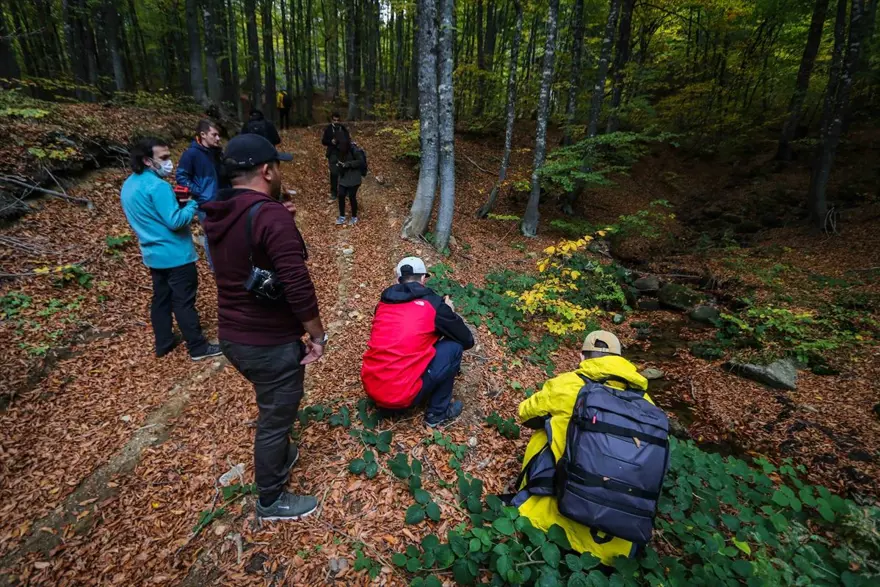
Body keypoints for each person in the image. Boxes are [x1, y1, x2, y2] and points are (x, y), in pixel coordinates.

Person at [201, 133, 327, 522]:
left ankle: (281, 455)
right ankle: (271, 500)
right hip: (268, 341)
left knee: (271, 403)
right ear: (267, 170)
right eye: (278, 167)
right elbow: (297, 283)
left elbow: (245, 258)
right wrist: (317, 334)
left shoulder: (221, 212)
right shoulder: (268, 215)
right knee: (275, 419)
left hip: (234, 335)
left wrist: (280, 219)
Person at [511, 331, 659, 565]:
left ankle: (535, 499)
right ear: (622, 360)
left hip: (548, 520)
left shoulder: (567, 384)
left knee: (546, 431)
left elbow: (524, 413)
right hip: (618, 543)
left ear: (582, 357)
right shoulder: (648, 406)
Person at [119, 137, 222, 362]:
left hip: (152, 254)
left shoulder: (129, 185)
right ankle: (198, 347)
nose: (169, 162)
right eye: (164, 158)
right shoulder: (158, 186)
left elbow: (151, 215)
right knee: (183, 301)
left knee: (161, 298)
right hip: (176, 255)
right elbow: (175, 221)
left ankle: (163, 342)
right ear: (147, 160)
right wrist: (192, 204)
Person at [361, 257, 474, 427]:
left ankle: (386, 399)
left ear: (397, 280)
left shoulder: (383, 304)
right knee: (454, 347)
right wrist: (449, 313)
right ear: (423, 278)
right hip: (402, 395)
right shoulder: (433, 305)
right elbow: (467, 340)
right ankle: (437, 414)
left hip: (372, 388)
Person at [176, 119, 226, 269]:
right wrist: (199, 191)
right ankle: (216, 269)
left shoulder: (217, 153)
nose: (218, 138)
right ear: (203, 134)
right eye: (214, 135)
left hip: (223, 200)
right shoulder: (191, 154)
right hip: (206, 204)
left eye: (218, 135)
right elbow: (181, 177)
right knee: (212, 236)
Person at [334, 136, 364, 226]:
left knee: (351, 196)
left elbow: (360, 162)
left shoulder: (354, 149)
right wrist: (339, 165)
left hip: (354, 177)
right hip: (344, 177)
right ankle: (342, 216)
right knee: (341, 195)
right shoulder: (339, 149)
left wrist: (348, 164)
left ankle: (354, 217)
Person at [320, 112, 350, 201]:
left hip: (342, 153)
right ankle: (333, 192)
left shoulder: (343, 128)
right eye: (334, 120)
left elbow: (348, 139)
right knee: (333, 173)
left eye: (337, 120)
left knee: (343, 172)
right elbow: (323, 141)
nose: (336, 122)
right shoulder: (329, 129)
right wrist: (331, 141)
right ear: (332, 120)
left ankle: (344, 191)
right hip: (332, 152)